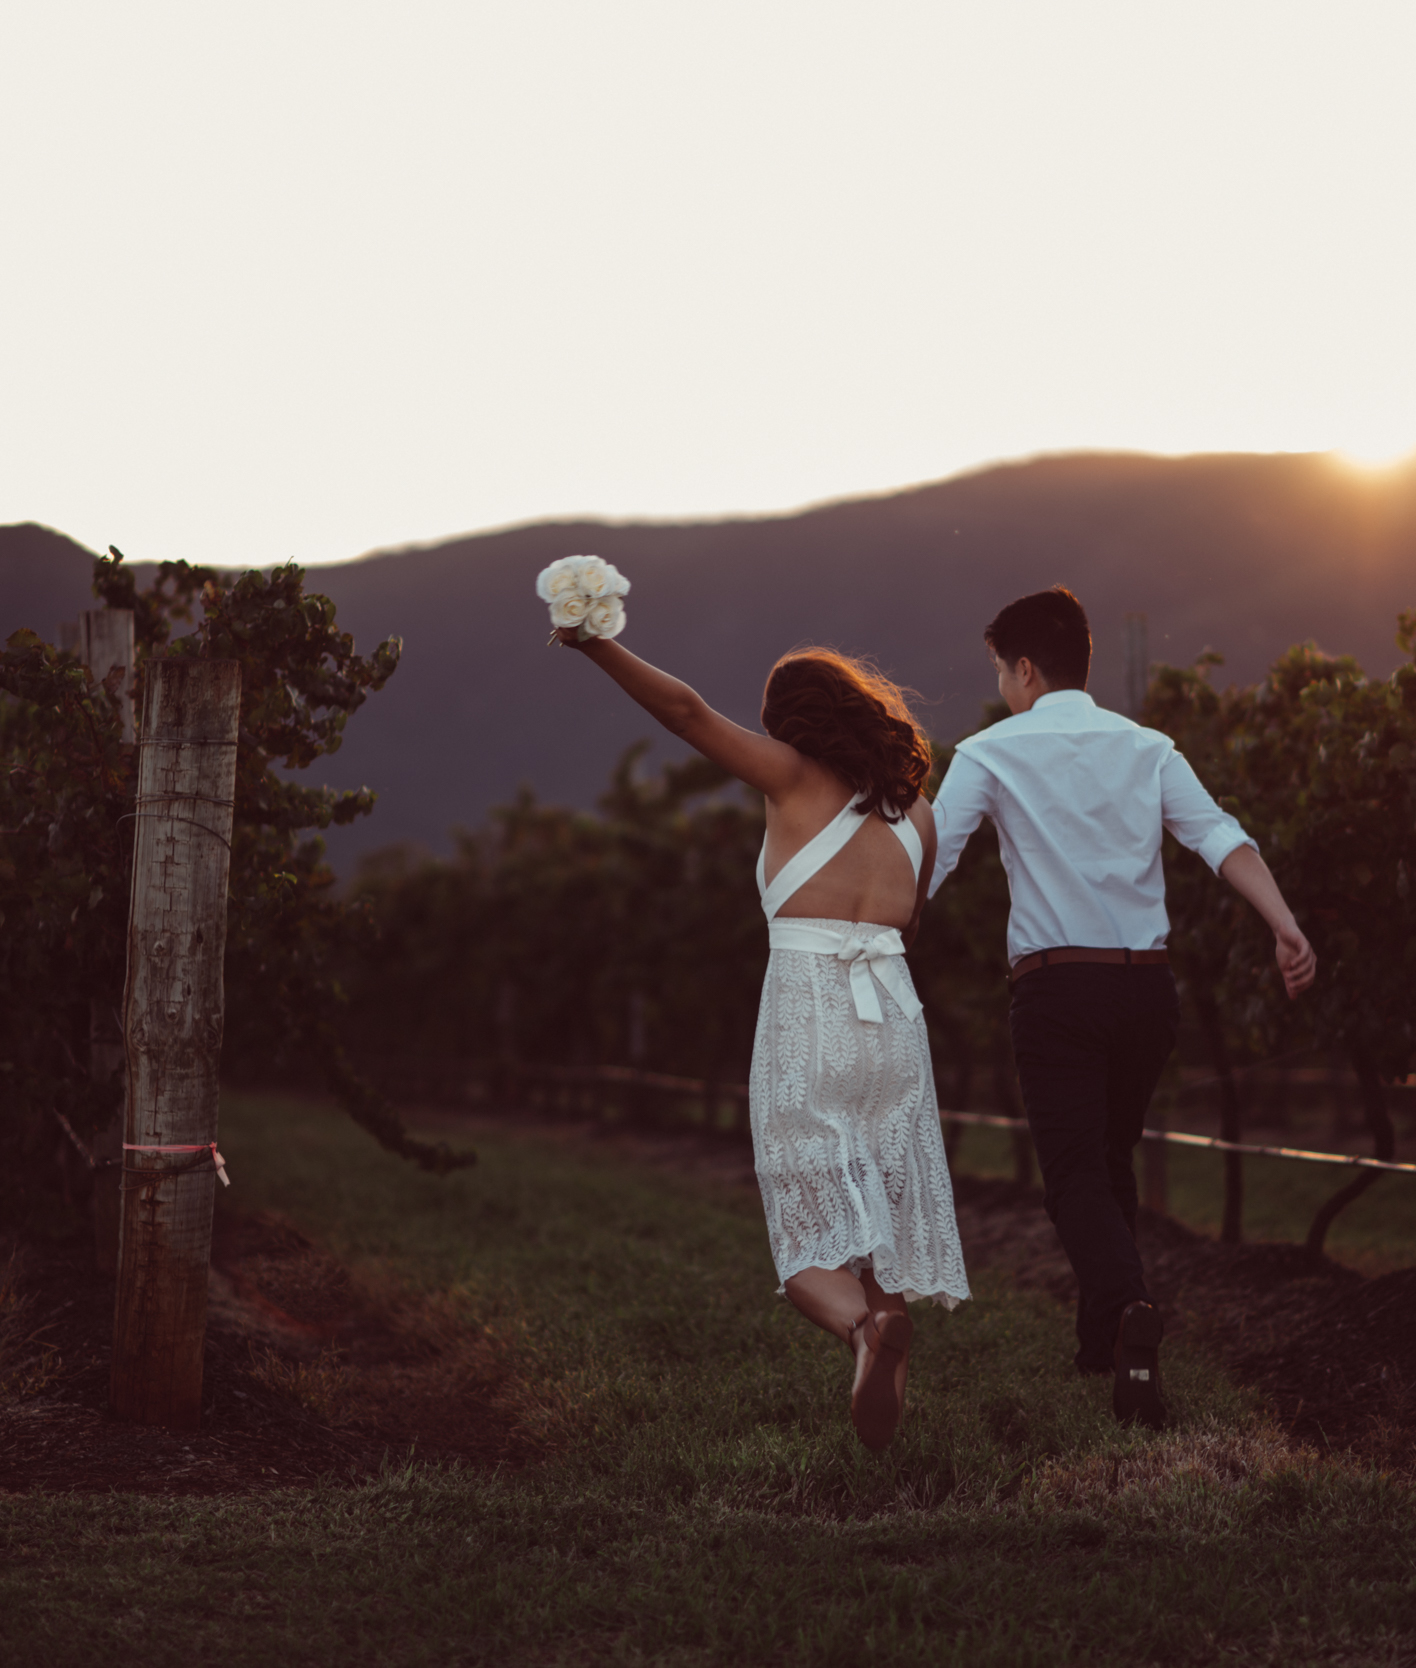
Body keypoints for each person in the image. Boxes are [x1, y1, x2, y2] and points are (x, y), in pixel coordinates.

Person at [557, 626, 970, 1451]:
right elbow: (911, 925)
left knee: (801, 1228)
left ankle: (860, 1335)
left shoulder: (787, 776)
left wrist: (594, 643)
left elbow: (682, 711)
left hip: (808, 1009)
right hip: (892, 1015)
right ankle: (883, 1384)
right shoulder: (920, 817)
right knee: (882, 1202)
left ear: (792, 724)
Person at [927, 586, 1316, 1428]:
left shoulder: (990, 752)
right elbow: (1220, 837)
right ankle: (1099, 1346)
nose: (1001, 686)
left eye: (1001, 670)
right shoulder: (1148, 746)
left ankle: (1131, 1307)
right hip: (1147, 990)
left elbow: (934, 860)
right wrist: (1284, 926)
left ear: (1024, 668)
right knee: (1109, 1160)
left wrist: (865, 919)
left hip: (1058, 988)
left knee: (1071, 1177)